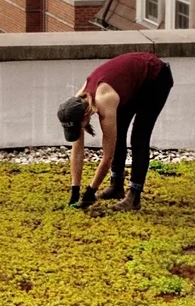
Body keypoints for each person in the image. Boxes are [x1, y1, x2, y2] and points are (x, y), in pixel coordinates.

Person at [59, 48, 171, 213]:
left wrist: (90, 192)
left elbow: (107, 156)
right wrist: (75, 191)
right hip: (132, 81)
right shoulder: (76, 103)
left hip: (155, 78)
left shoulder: (104, 101)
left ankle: (134, 196)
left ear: (84, 116)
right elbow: (77, 152)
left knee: (139, 137)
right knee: (119, 132)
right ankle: (116, 186)